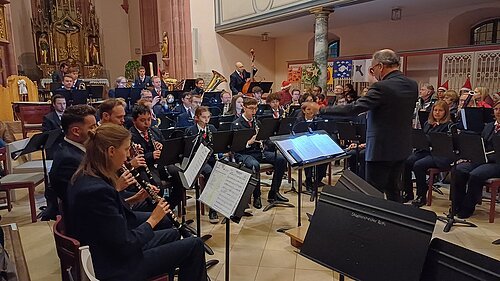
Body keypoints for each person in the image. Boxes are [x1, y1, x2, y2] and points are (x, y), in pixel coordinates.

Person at [66, 123, 207, 281]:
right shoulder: (97, 190)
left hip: (110, 251)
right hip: (119, 266)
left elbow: (111, 218)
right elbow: (126, 244)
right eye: (126, 150)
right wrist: (153, 219)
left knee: (173, 233)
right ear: (111, 151)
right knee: (194, 245)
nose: (128, 156)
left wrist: (135, 199)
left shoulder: (86, 174)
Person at [312, 49, 418, 202]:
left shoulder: (382, 87)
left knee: (373, 193)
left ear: (380, 66)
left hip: (381, 149)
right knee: (394, 190)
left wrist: (321, 109)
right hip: (402, 146)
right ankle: (393, 224)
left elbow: (353, 109)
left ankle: (374, 225)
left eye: (372, 69)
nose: (373, 73)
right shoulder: (412, 85)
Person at [231, 98, 288, 208]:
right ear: (244, 108)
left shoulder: (257, 122)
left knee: (281, 159)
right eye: (251, 108)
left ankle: (274, 193)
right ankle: (256, 196)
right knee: (254, 165)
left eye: (255, 108)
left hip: (258, 151)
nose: (254, 111)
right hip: (244, 153)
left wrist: (267, 140)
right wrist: (249, 142)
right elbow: (235, 146)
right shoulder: (236, 124)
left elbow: (265, 138)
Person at [47, 105, 97, 220]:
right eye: (92, 127)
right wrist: (117, 186)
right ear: (75, 131)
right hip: (88, 219)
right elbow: (86, 198)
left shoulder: (78, 149)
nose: (96, 130)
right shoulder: (69, 160)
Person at [452, 100, 500, 219]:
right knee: (458, 170)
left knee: (476, 175)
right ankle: (456, 205)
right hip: (481, 159)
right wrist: (470, 156)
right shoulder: (489, 126)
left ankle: (467, 208)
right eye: (497, 109)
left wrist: (485, 157)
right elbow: (480, 144)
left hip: (496, 162)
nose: (498, 112)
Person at [402, 101, 453, 206]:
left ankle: (421, 195)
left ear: (446, 112)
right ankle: (408, 192)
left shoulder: (449, 126)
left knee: (418, 165)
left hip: (439, 155)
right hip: (425, 151)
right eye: (435, 110)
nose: (437, 113)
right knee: (406, 162)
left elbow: (444, 144)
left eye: (440, 110)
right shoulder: (427, 123)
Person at [185, 106, 219, 223]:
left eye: (208, 117)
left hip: (210, 158)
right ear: (197, 118)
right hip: (198, 161)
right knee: (210, 172)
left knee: (224, 168)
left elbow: (218, 145)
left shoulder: (212, 128)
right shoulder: (191, 130)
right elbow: (188, 151)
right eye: (203, 117)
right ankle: (212, 209)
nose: (206, 120)